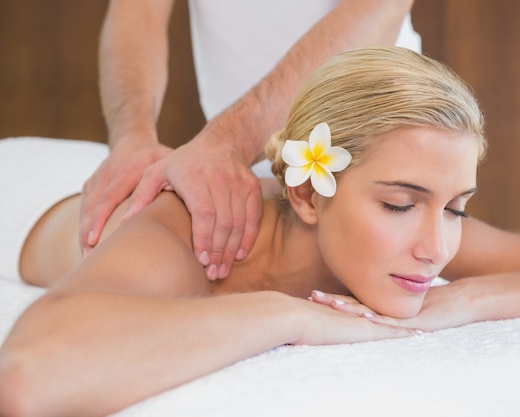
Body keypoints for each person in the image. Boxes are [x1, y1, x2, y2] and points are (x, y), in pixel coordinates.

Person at [0, 47, 520, 416]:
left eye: (456, 207)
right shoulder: (193, 232)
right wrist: (286, 316)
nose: (437, 249)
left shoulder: (406, 228)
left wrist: (467, 299)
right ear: (305, 192)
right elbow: (27, 377)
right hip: (23, 189)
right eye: (401, 204)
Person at [82, 0, 421, 280]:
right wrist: (133, 136)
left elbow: (378, 7)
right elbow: (136, 11)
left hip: (377, 131)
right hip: (243, 159)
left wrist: (227, 143)